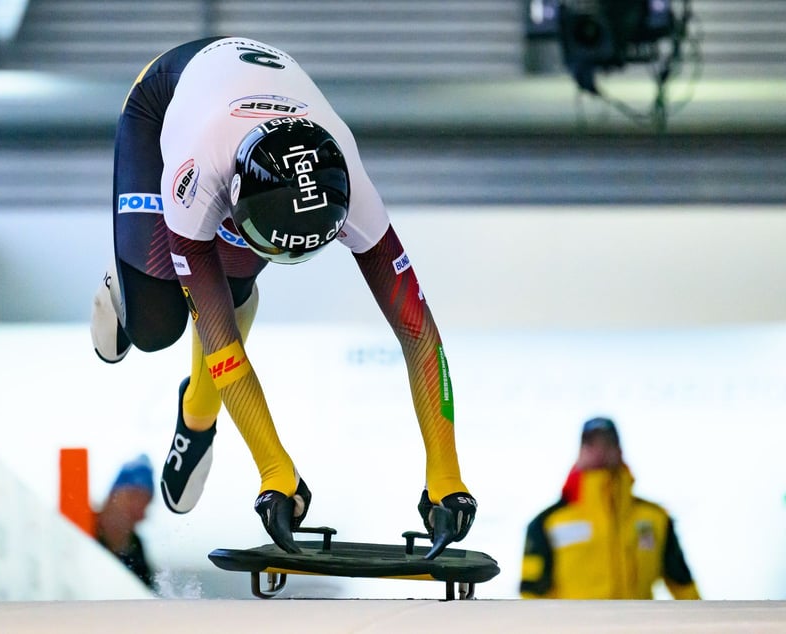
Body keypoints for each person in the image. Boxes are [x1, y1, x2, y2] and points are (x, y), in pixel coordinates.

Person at [90, 36, 476, 557]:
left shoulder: (352, 187)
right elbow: (221, 342)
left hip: (243, 111)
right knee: (155, 327)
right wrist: (275, 469)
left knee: (232, 281)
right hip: (165, 102)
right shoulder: (197, 175)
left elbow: (419, 334)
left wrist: (447, 476)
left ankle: (195, 412)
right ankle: (125, 283)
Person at [520, 417, 701, 599]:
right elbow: (530, 594)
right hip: (575, 627)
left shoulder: (656, 518)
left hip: (639, 626)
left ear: (620, 450)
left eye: (608, 442)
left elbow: (683, 584)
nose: (600, 450)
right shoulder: (547, 522)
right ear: (580, 451)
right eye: (591, 443)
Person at [94, 454, 157, 591]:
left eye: (145, 503)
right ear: (112, 496)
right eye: (133, 497)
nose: (138, 511)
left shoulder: (137, 550)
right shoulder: (79, 528)